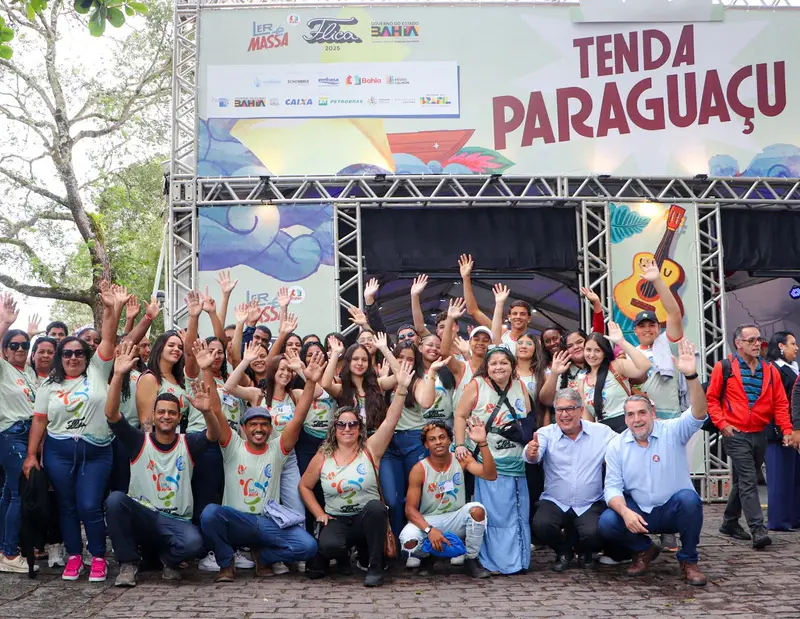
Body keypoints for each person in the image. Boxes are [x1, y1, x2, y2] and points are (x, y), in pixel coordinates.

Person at [23, 282, 127, 582]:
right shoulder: (48, 385)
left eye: (79, 353)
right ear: (59, 356)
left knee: (90, 505)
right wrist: (31, 455)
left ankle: (98, 556)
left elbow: (109, 337)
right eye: (67, 353)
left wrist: (112, 307)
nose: (72, 357)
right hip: (59, 452)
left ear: (86, 355)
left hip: (96, 452)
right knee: (67, 507)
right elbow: (39, 421)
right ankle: (73, 556)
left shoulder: (97, 371)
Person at [199, 349, 325, 583]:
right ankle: (226, 563)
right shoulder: (232, 445)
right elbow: (216, 410)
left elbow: (298, 417)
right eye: (253, 424)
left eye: (264, 424)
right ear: (244, 428)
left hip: (265, 523)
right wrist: (206, 370)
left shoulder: (278, 449)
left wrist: (310, 382)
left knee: (308, 547)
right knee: (209, 514)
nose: (259, 429)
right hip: (236, 521)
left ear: (271, 428)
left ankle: (264, 557)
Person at [105, 341, 220, 587]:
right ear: (154, 416)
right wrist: (117, 375)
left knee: (194, 543)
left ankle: (168, 560)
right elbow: (112, 415)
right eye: (161, 412)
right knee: (115, 501)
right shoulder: (138, 441)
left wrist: (207, 411)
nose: (166, 416)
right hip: (144, 516)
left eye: (172, 413)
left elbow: (214, 435)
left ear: (179, 418)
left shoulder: (188, 443)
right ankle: (128, 564)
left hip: (175, 521)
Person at [597, 339, 709, 586]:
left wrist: (691, 377)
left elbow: (699, 413)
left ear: (653, 414)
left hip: (672, 510)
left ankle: (689, 560)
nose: (637, 419)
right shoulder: (616, 444)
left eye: (642, 413)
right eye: (630, 415)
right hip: (639, 511)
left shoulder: (672, 430)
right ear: (625, 419)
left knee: (690, 500)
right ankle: (644, 549)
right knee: (607, 521)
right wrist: (625, 512)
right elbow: (612, 488)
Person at [300, 359, 413, 587]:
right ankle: (342, 557)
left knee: (376, 508)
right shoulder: (323, 455)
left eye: (353, 424)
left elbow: (390, 422)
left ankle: (374, 566)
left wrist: (401, 389)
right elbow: (304, 486)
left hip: (366, 519)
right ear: (334, 429)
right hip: (337, 519)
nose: (347, 429)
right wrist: (319, 513)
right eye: (341, 425)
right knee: (329, 546)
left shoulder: (371, 449)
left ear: (360, 429)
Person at [707, 324, 794, 549]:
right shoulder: (724, 367)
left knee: (742, 482)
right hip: (735, 433)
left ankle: (729, 522)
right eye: (751, 340)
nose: (757, 344)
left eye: (759, 340)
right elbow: (712, 399)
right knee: (748, 480)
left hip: (760, 433)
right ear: (738, 343)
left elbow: (780, 403)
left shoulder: (770, 370)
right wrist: (722, 424)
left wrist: (786, 430)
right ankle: (758, 529)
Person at [455, 347, 531, 574]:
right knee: (496, 514)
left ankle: (519, 561)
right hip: (489, 459)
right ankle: (495, 561)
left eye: (504, 363)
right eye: (494, 363)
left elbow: (527, 416)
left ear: (512, 365)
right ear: (486, 367)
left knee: (517, 511)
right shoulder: (476, 385)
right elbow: (460, 415)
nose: (499, 367)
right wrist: (460, 444)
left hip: (516, 460)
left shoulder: (520, 385)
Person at [525, 388, 616, 572]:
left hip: (589, 502)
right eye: (559, 410)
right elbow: (533, 456)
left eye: (569, 409)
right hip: (556, 500)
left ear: (581, 410)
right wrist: (531, 453)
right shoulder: (545, 433)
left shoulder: (601, 432)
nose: (564, 414)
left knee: (595, 532)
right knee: (541, 525)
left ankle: (585, 550)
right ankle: (563, 551)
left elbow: (624, 446)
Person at [400, 419, 494, 578]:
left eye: (442, 437)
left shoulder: (461, 459)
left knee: (477, 510)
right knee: (408, 540)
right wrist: (430, 530)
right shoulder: (419, 469)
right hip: (429, 520)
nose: (438, 442)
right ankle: (427, 557)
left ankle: (471, 559)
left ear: (450, 440)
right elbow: (410, 510)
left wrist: (483, 443)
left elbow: (490, 475)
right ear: (426, 445)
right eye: (432, 439)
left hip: (455, 518)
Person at [0, 294, 37, 574]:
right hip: (11, 434)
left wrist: (28, 335)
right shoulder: (3, 368)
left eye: (25, 345)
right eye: (14, 345)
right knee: (18, 493)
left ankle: (3, 548)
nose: (20, 349)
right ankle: (10, 554)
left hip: (28, 433)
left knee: (8, 494)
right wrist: (5, 323)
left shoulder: (27, 374)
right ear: (5, 350)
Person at [577, 325, 651, 432]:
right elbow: (587, 418)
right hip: (603, 432)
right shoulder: (583, 382)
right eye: (588, 350)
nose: (592, 355)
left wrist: (621, 342)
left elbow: (645, 366)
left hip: (627, 426)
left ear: (604, 352)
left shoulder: (617, 366)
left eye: (597, 350)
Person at [765, 332, 800, 531]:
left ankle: (794, 517)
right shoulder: (773, 369)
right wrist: (785, 429)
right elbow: (775, 403)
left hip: (794, 429)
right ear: (780, 346)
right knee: (780, 479)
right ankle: (779, 520)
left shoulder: (792, 369)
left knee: (794, 478)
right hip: (778, 432)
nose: (796, 348)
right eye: (792, 344)